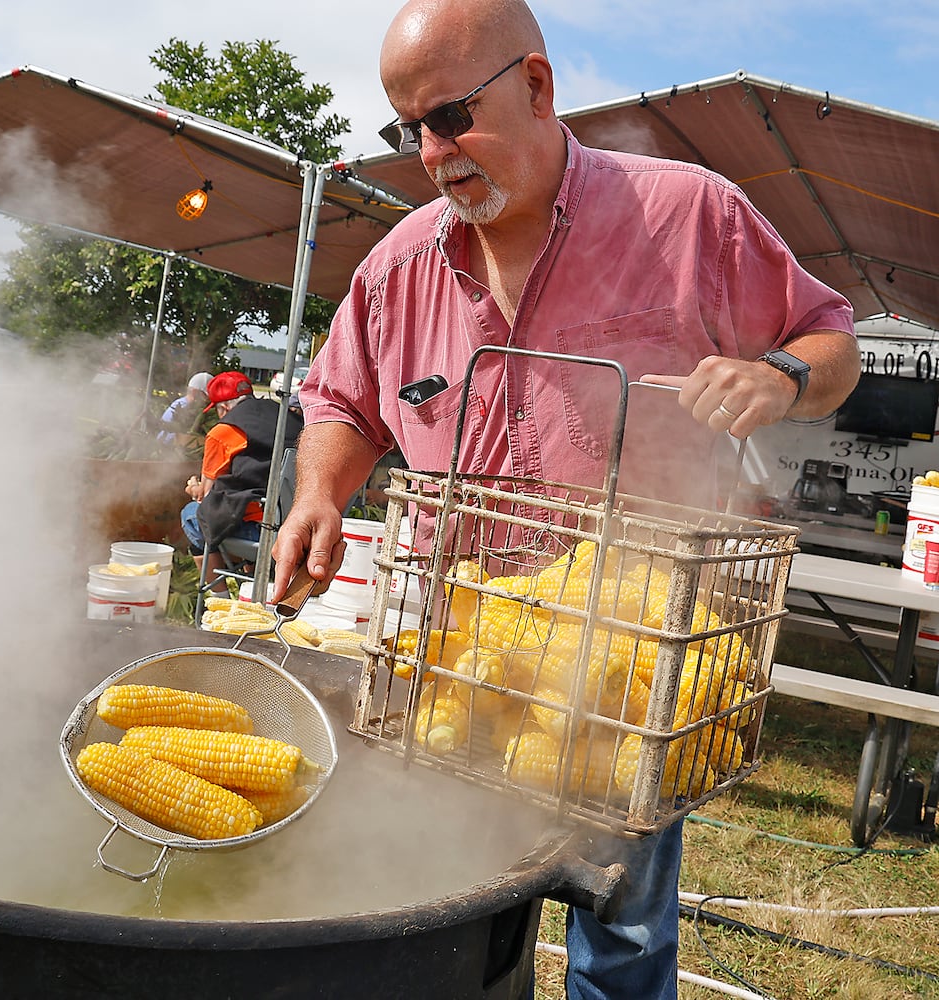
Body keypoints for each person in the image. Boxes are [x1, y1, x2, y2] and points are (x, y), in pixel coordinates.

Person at [272, 1, 860, 996]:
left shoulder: (686, 215)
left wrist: (782, 377)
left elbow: (828, 337)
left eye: (451, 114)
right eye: (407, 127)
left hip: (623, 669)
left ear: (537, 86)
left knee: (620, 940)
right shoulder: (399, 265)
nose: (430, 150)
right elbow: (342, 396)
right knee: (433, 908)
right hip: (452, 658)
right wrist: (320, 491)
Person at [180, 370, 303, 559]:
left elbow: (206, 498)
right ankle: (248, 575)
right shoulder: (285, 416)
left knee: (191, 515)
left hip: (263, 531)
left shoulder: (223, 432)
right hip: (302, 525)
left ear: (224, 408)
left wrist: (194, 488)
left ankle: (219, 589)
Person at [157, 371, 214, 444]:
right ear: (195, 392)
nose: (208, 400)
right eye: (206, 396)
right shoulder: (185, 408)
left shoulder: (179, 402)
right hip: (168, 448)